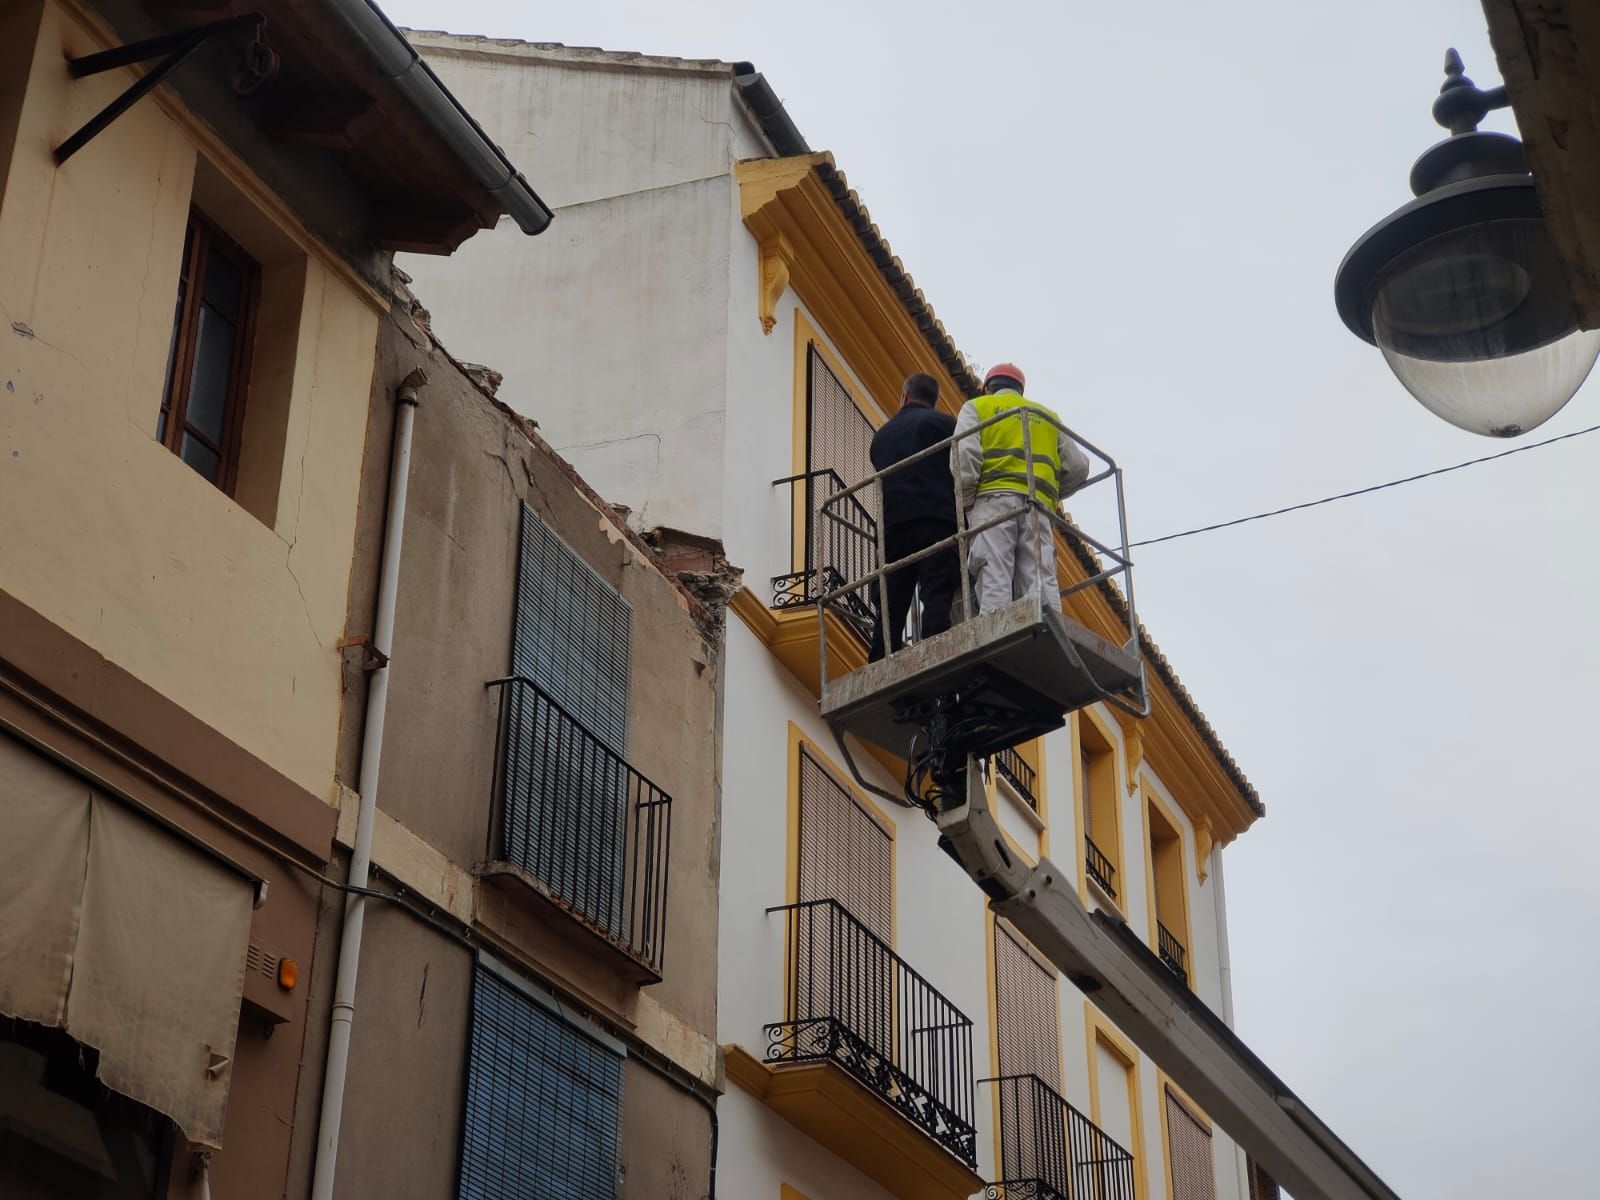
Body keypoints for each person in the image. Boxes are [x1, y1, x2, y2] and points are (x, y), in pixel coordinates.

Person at [952, 362, 1090, 615]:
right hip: (1037, 508)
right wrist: (1051, 493)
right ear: (1020, 390)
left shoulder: (977, 408)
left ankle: (995, 637)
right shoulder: (1046, 416)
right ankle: (1051, 634)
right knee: (1040, 577)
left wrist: (968, 503)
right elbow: (1079, 467)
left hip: (993, 502)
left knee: (994, 572)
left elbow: (964, 459)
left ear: (987, 389)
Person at [866, 372, 960, 659]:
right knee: (937, 593)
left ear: (904, 397)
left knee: (891, 602)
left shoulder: (882, 436)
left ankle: (879, 662)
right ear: (934, 400)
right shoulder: (946, 425)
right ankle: (935, 654)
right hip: (936, 520)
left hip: (893, 527)